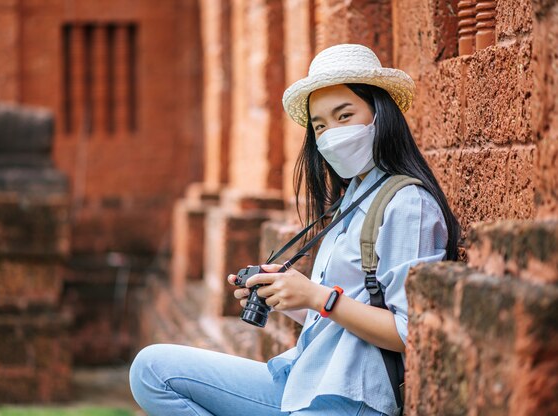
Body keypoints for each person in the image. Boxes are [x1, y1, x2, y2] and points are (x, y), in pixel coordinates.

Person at [129, 44, 460, 416]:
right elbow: (340, 317)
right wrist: (286, 297)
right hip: (303, 381)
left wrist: (318, 297)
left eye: (344, 115)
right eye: (320, 125)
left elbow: (408, 332)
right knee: (151, 370)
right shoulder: (351, 199)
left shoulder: (407, 204)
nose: (331, 133)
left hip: (349, 399)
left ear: (380, 115)